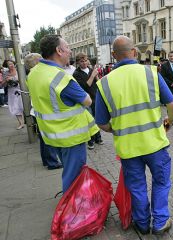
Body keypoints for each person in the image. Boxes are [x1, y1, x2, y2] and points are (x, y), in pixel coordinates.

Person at [95, 36, 173, 235]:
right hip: (155, 144)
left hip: (128, 148)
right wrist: (167, 124)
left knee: (137, 186)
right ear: (134, 52)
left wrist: (117, 129)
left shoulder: (104, 83)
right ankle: (160, 221)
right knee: (161, 182)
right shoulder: (150, 73)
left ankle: (141, 223)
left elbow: (102, 123)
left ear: (114, 56)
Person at [27, 34, 99, 193]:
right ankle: (73, 212)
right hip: (70, 136)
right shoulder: (61, 77)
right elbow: (87, 101)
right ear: (59, 51)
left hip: (52, 134)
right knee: (74, 177)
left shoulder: (34, 72)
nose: (70, 51)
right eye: (67, 48)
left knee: (69, 171)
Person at [24, 53, 62, 170]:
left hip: (37, 110)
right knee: (48, 137)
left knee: (43, 138)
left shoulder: (31, 76)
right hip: (42, 110)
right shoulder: (37, 75)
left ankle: (47, 160)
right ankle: (52, 162)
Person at [73, 52, 103, 150]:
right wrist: (92, 76)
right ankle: (91, 141)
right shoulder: (76, 74)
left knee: (97, 118)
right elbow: (85, 86)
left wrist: (97, 76)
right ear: (78, 63)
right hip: (86, 99)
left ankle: (98, 138)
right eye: (82, 61)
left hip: (95, 97)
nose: (85, 63)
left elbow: (98, 83)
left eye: (86, 60)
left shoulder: (91, 70)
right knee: (89, 120)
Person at [2, 60, 24, 129]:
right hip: (12, 92)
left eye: (11, 63)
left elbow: (24, 79)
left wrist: (17, 80)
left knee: (23, 106)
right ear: (7, 66)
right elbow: (3, 84)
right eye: (9, 64)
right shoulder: (5, 73)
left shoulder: (19, 70)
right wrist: (6, 80)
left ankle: (26, 121)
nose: (11, 65)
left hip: (21, 89)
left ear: (14, 64)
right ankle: (21, 123)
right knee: (15, 107)